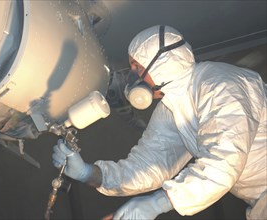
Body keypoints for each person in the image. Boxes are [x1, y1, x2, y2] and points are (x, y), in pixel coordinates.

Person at [52, 25, 267, 220]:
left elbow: (223, 163)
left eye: (136, 67)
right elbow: (150, 165)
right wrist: (90, 174)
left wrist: (157, 203)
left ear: (160, 64)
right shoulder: (173, 106)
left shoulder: (222, 87)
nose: (132, 77)